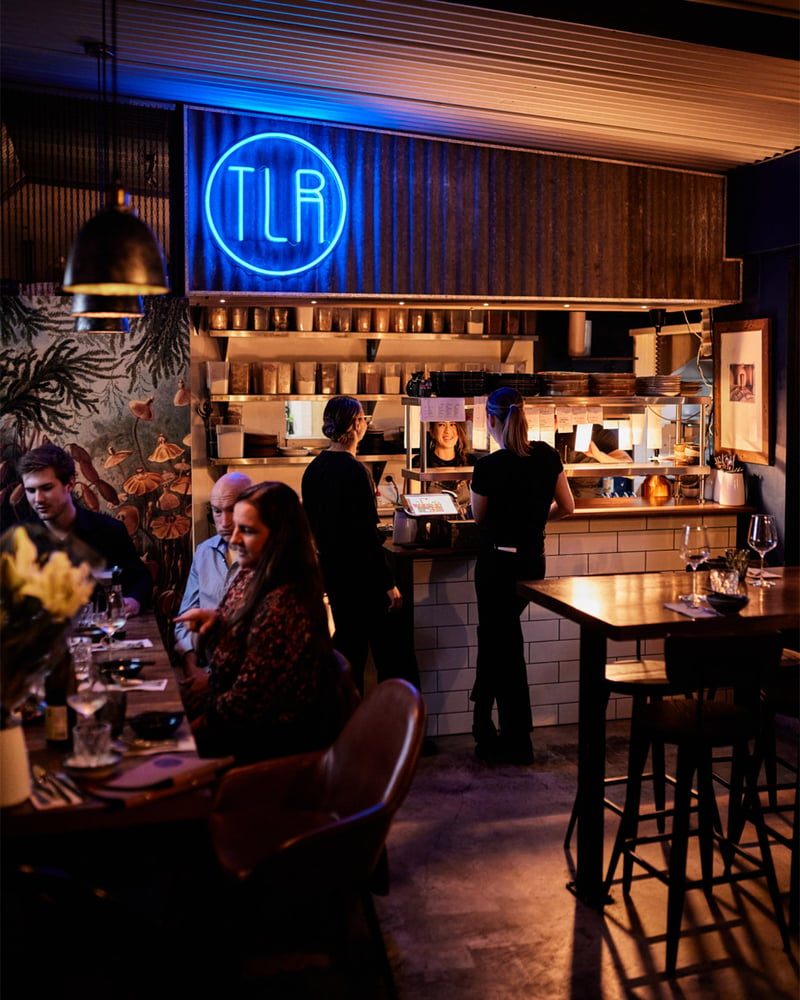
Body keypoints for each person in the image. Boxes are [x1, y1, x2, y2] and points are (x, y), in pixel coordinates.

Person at [173, 481, 343, 763]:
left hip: (271, 752)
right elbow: (238, 638)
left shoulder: (284, 602)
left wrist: (189, 735)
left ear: (280, 537)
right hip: (235, 720)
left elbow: (243, 705)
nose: (234, 538)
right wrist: (215, 623)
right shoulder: (252, 572)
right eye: (223, 516)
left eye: (247, 530)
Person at [469, 387, 575, 765]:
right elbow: (568, 506)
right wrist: (533, 520)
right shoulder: (547, 456)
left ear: (492, 420)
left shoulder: (488, 466)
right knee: (499, 641)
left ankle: (513, 736)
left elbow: (479, 518)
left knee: (502, 645)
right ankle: (487, 724)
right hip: (532, 562)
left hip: (497, 564)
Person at [301, 395, 415, 694]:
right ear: (356, 425)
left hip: (334, 573)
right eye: (363, 418)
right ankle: (391, 726)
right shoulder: (355, 471)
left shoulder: (313, 469)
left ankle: (347, 723)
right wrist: (387, 583)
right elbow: (365, 536)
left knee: (349, 651)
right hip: (362, 578)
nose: (365, 423)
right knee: (390, 657)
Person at [17, 444, 152, 616]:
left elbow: (140, 579)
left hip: (102, 631)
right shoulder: (18, 537)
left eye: (47, 488)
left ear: (70, 484)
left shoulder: (110, 530)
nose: (38, 499)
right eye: (30, 490)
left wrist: (134, 600)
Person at [175, 471, 253, 703]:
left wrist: (211, 683)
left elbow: (263, 648)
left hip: (244, 682)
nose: (225, 522)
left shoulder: (265, 558)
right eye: (218, 511)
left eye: (233, 509)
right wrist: (192, 668)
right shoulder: (204, 552)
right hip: (204, 667)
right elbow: (184, 620)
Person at [412, 420, 474, 508]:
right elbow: (412, 507)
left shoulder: (470, 461)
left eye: (453, 424)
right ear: (432, 432)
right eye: (441, 425)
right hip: (430, 520)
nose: (448, 431)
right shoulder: (420, 463)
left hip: (462, 520)